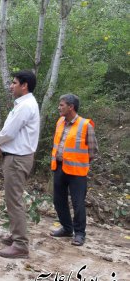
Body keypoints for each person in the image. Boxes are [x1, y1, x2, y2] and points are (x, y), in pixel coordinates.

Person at [0, 70, 39, 259]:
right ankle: (15, 235)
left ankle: (20, 244)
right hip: (15, 156)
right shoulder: (23, 104)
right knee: (12, 199)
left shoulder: (26, 106)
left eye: (14, 82)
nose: (11, 86)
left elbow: (9, 131)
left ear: (24, 85)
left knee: (14, 200)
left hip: (18, 159)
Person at [50, 94, 97, 247]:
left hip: (77, 172)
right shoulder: (59, 122)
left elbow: (92, 150)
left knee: (78, 203)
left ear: (71, 107)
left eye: (62, 105)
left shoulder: (85, 125)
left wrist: (80, 162)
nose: (59, 107)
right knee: (58, 200)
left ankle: (79, 234)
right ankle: (67, 228)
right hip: (59, 167)